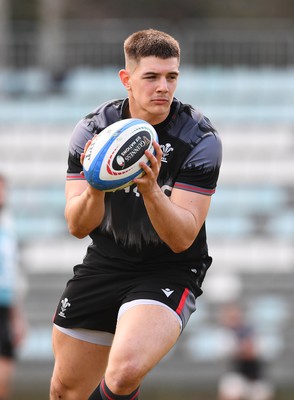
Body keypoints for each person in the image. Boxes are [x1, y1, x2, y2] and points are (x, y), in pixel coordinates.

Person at [50, 28, 222, 400]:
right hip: (106, 261)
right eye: (152, 77)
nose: (164, 87)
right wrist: (96, 184)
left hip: (168, 268)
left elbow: (182, 237)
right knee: (65, 390)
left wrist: (150, 189)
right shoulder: (93, 130)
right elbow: (78, 226)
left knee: (124, 371)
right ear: (127, 79)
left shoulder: (198, 139)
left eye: (171, 76)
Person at [0, 175, 27, 400]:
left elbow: (12, 275)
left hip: (5, 307)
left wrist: (17, 317)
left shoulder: (8, 226)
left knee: (5, 374)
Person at [217, 304, 275, 400]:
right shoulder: (224, 334)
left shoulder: (253, 330)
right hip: (235, 373)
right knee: (231, 389)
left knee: (261, 392)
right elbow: (231, 353)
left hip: (256, 377)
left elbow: (257, 352)